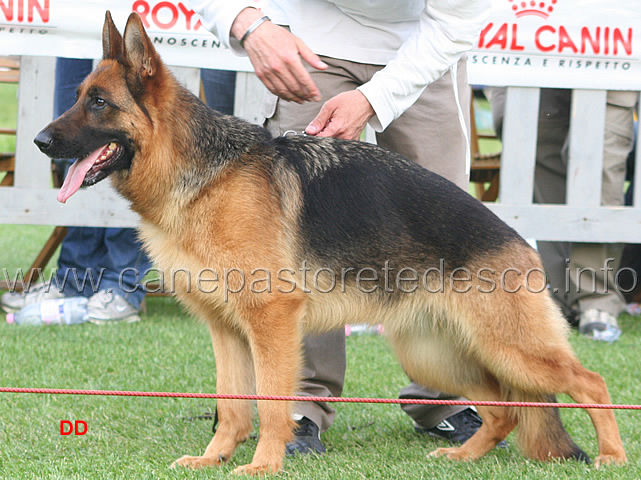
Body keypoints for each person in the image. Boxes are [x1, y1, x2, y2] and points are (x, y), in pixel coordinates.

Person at [190, 0, 492, 455]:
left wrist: (374, 98)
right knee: (289, 239)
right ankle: (298, 404)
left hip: (421, 41)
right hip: (305, 38)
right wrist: (248, 24)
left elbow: (456, 22)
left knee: (443, 231)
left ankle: (444, 398)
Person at [1, 58, 238, 323]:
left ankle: (120, 286)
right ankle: (76, 279)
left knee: (135, 165)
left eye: (98, 104)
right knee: (81, 149)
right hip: (78, 26)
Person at [486, 87, 637, 341]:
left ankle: (595, 298)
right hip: (537, 56)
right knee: (535, 143)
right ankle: (557, 294)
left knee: (601, 153)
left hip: (614, 55)